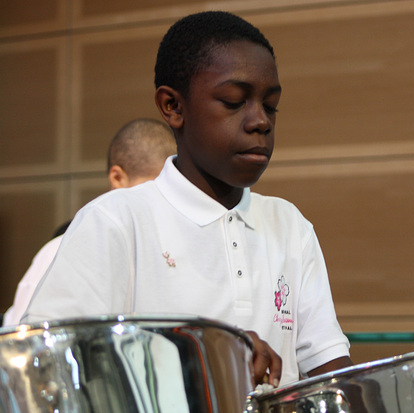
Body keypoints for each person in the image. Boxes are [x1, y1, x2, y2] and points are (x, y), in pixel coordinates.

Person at [23, 11, 353, 387]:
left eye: (271, 105)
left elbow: (330, 372)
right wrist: (205, 355)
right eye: (233, 101)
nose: (260, 120)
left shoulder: (289, 225)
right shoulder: (115, 221)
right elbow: (41, 369)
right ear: (173, 107)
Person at [2, 118, 177, 327]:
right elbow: (28, 343)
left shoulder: (175, 243)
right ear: (117, 178)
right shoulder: (61, 249)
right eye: (146, 191)